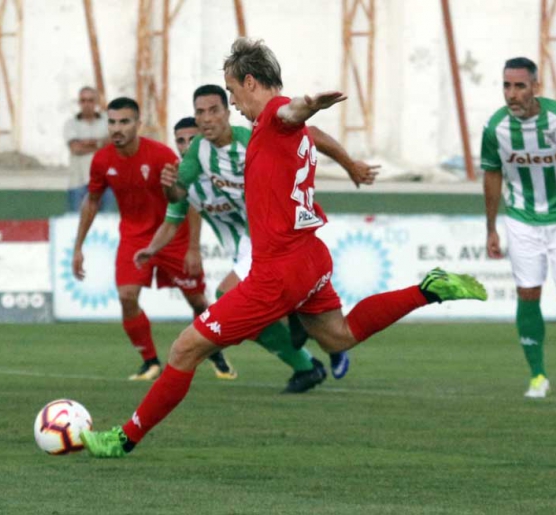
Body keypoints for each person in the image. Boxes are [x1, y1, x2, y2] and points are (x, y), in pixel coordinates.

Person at [79, 38, 487, 457]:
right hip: (309, 255)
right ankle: (429, 289)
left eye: (232, 92)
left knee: (185, 349)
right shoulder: (280, 131)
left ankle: (123, 439)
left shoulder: (275, 115)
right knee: (338, 336)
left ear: (250, 81)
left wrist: (309, 102)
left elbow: (290, 111)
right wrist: (331, 142)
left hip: (278, 271)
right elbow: (301, 124)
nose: (233, 103)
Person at [135, 84, 376, 392]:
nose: (206, 119)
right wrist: (169, 187)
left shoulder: (251, 138)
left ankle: (308, 344)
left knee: (227, 298)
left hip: (272, 237)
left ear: (227, 111)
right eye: (200, 113)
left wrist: (350, 165)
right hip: (246, 249)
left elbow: (310, 133)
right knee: (254, 320)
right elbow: (180, 195)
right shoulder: (198, 154)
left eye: (213, 110)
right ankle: (308, 354)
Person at [72, 96, 236, 382]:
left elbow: (189, 199)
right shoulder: (102, 160)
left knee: (198, 302)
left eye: (124, 121)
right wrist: (78, 247)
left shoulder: (161, 155)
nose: (117, 128)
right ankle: (150, 361)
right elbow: (92, 201)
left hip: (174, 237)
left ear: (138, 124)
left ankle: (214, 351)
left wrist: (193, 248)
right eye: (112, 122)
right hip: (134, 238)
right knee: (126, 296)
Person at [481, 57, 556, 398]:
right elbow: (492, 174)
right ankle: (537, 375)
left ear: (536, 87)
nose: (512, 94)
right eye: (506, 85)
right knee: (528, 292)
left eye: (519, 86)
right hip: (522, 219)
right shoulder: (495, 129)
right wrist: (491, 227)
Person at [63, 86, 115, 212]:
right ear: (79, 103)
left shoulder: (107, 121)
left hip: (105, 184)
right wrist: (100, 143)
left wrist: (86, 142)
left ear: (96, 102)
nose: (87, 104)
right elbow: (76, 148)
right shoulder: (71, 124)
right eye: (83, 100)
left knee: (106, 226)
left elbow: (114, 143)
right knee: (77, 226)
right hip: (78, 183)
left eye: (90, 100)